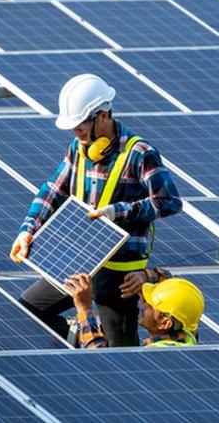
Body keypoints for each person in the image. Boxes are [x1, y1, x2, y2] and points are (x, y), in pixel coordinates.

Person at [11, 74, 183, 346]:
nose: (75, 133)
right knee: (28, 309)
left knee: (118, 357)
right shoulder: (78, 149)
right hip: (79, 261)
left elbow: (170, 201)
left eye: (79, 126)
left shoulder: (139, 153)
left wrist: (118, 212)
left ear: (102, 115)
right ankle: (77, 336)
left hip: (120, 276)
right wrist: (27, 230)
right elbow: (53, 190)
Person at [64, 270, 203, 348]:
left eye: (149, 305)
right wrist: (144, 276)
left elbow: (98, 359)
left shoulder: (156, 354)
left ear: (165, 323)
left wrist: (84, 308)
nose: (142, 303)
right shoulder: (187, 333)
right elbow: (168, 280)